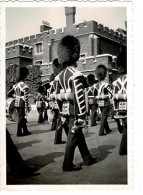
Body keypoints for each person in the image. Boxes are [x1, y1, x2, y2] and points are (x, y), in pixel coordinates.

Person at [56, 35, 96, 172]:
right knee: (72, 140)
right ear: (75, 54)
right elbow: (79, 97)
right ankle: (67, 164)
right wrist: (82, 117)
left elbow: (57, 97)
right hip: (75, 113)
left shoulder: (59, 76)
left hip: (65, 113)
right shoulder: (75, 74)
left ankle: (87, 158)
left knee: (78, 137)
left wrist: (61, 113)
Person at [7, 66, 31, 137]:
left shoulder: (15, 85)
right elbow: (26, 97)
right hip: (22, 102)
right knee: (21, 117)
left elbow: (8, 93)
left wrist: (14, 97)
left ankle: (25, 131)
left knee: (22, 117)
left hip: (16, 102)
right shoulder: (24, 85)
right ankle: (19, 132)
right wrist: (27, 106)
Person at [50, 58, 69, 143]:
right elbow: (59, 94)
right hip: (62, 103)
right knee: (62, 120)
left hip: (56, 103)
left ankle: (66, 136)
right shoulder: (60, 79)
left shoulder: (54, 81)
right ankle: (58, 139)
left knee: (62, 121)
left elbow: (51, 94)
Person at [112, 51, 127, 155]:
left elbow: (113, 98)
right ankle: (123, 149)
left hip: (120, 107)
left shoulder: (115, 82)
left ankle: (123, 149)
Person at [95, 65, 112, 136]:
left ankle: (107, 129)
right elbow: (111, 93)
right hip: (105, 102)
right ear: (104, 74)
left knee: (103, 116)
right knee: (104, 117)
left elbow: (95, 95)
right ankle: (101, 131)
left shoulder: (96, 85)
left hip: (99, 103)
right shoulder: (106, 85)